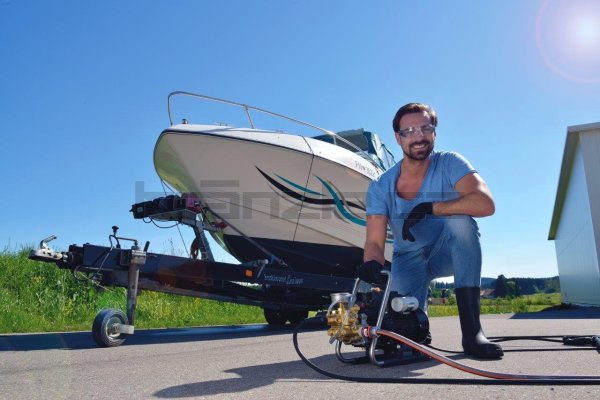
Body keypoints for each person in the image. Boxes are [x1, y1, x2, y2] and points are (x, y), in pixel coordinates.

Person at [359, 102, 503, 359]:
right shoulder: (380, 186)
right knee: (405, 332)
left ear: (434, 133)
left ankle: (473, 334)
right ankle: (417, 334)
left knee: (461, 222)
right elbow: (375, 242)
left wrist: (432, 208)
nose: (418, 136)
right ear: (398, 138)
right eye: (409, 131)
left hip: (447, 251)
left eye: (425, 128)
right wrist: (371, 264)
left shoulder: (450, 163)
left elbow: (485, 203)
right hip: (407, 260)